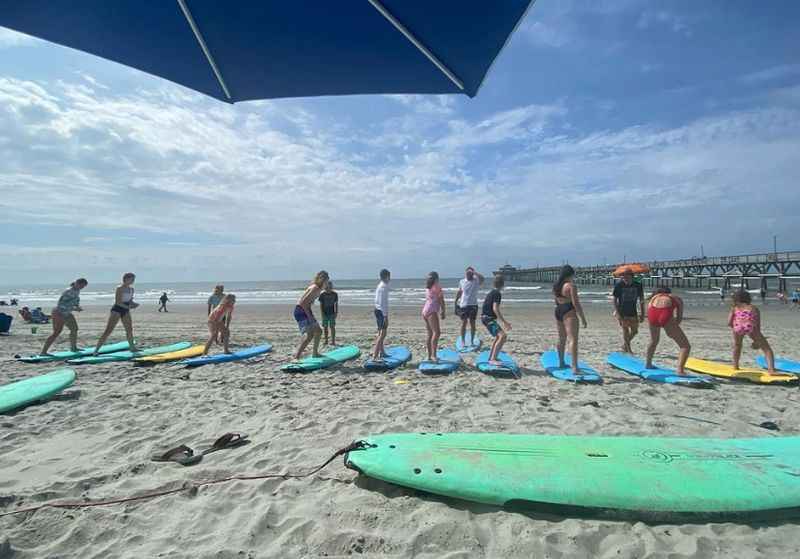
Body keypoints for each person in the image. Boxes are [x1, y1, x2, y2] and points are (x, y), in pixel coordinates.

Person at [728, 289, 775, 372]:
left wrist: (734, 327)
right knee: (767, 349)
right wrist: (757, 339)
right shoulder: (753, 308)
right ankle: (771, 370)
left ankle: (735, 366)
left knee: (737, 346)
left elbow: (729, 322)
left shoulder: (735, 308)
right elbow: (757, 322)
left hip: (738, 327)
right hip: (749, 326)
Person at [646, 287, 690, 375]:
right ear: (669, 292)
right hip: (665, 315)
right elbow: (679, 318)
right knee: (685, 346)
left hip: (652, 316)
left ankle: (648, 364)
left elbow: (651, 312)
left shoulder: (653, 298)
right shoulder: (675, 298)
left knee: (654, 341)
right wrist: (671, 331)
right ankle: (680, 370)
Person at [93, 272, 139, 355]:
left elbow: (129, 301)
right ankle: (96, 350)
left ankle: (132, 347)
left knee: (129, 329)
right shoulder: (119, 288)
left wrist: (134, 304)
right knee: (108, 330)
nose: (133, 281)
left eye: (133, 279)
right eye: (132, 279)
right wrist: (128, 307)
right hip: (117, 310)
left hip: (126, 309)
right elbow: (118, 302)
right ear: (126, 279)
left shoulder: (131, 289)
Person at [553, 265, 587, 374]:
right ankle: (575, 368)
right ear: (570, 274)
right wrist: (583, 318)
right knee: (573, 339)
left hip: (558, 310)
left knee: (561, 338)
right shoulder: (571, 286)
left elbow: (556, 301)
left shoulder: (556, 286)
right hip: (568, 310)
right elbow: (576, 303)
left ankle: (561, 362)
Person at [41, 278, 88, 355]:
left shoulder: (77, 291)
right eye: (82, 286)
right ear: (77, 283)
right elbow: (62, 304)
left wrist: (77, 307)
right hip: (59, 312)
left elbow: (74, 302)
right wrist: (75, 308)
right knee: (56, 332)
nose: (82, 288)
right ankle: (43, 352)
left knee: (74, 329)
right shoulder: (69, 291)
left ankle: (73, 348)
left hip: (67, 313)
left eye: (83, 287)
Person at [292, 271, 328, 360]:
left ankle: (315, 353)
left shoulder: (318, 289)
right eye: (325, 280)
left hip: (306, 310)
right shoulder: (315, 288)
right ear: (320, 279)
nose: (326, 282)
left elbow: (307, 304)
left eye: (327, 280)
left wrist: (310, 315)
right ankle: (296, 357)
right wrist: (310, 317)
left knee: (319, 331)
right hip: (301, 311)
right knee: (309, 335)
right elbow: (303, 303)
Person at [481, 275, 512, 366]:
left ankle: (492, 356)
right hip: (488, 318)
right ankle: (493, 359)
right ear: (502, 284)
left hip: (485, 318)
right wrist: (505, 322)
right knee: (503, 336)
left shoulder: (491, 292)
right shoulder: (497, 294)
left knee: (499, 337)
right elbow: (495, 308)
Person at [612, 269, 645, 353]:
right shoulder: (619, 285)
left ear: (632, 276)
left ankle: (625, 345)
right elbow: (615, 300)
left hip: (633, 311)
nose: (624, 278)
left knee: (635, 331)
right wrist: (618, 313)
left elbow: (641, 300)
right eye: (623, 276)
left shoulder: (638, 285)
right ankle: (628, 349)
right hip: (622, 311)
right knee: (625, 330)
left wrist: (643, 313)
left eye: (627, 276)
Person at [455, 267, 485, 345]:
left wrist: (474, 272)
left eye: (470, 273)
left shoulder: (476, 281)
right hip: (463, 305)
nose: (468, 274)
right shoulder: (462, 281)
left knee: (472, 323)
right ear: (465, 273)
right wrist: (456, 300)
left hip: (473, 305)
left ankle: (472, 341)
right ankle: (463, 341)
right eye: (467, 273)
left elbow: (482, 278)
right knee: (464, 323)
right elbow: (460, 292)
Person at [422, 271, 446, 362]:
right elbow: (441, 300)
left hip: (425, 310)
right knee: (437, 333)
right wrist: (443, 311)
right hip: (431, 311)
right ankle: (433, 355)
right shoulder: (437, 287)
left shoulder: (428, 287)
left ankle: (429, 355)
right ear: (437, 278)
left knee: (430, 333)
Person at [372, 269, 390, 360]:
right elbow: (384, 303)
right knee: (382, 334)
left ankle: (382, 352)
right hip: (381, 311)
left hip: (377, 309)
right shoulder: (384, 287)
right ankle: (375, 356)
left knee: (380, 332)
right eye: (389, 277)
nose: (390, 279)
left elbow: (377, 300)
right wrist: (386, 316)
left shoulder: (379, 285)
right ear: (386, 276)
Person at [318, 281, 339, 346]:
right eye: (327, 286)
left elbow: (336, 304)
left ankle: (333, 341)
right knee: (325, 327)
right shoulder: (322, 295)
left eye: (330, 286)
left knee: (332, 327)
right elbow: (321, 305)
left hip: (332, 313)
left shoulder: (335, 294)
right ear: (325, 287)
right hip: (324, 313)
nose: (328, 288)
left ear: (331, 287)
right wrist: (322, 314)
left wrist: (336, 312)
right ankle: (326, 340)